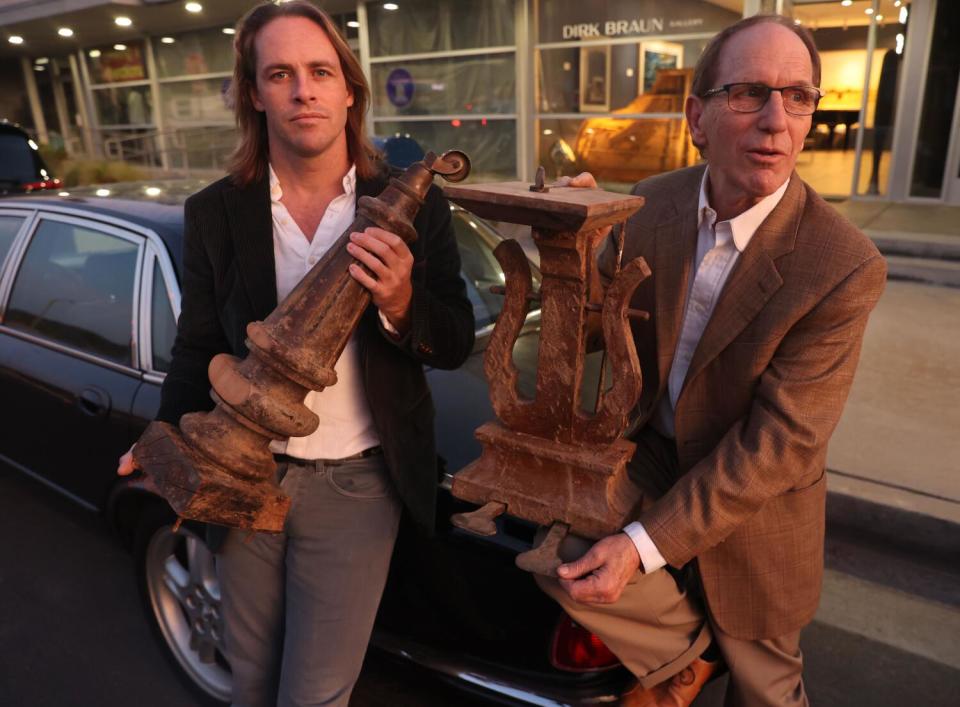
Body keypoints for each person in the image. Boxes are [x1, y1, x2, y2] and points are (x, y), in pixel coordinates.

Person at [117, 2, 474, 706]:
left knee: (313, 695)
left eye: (319, 71)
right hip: (248, 475)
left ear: (349, 89)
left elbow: (456, 336)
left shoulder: (414, 204)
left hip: (359, 487)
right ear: (254, 94)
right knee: (250, 681)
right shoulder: (216, 211)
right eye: (279, 74)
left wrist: (401, 301)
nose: (302, 90)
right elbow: (197, 345)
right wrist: (163, 439)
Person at [536, 15, 887, 707]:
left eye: (798, 97)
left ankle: (714, 654)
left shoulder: (842, 264)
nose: (776, 121)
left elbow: (778, 445)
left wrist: (640, 546)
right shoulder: (648, 206)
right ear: (698, 116)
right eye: (750, 93)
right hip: (652, 459)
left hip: (757, 510)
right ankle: (692, 654)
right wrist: (567, 248)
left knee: (766, 693)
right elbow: (589, 334)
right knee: (550, 551)